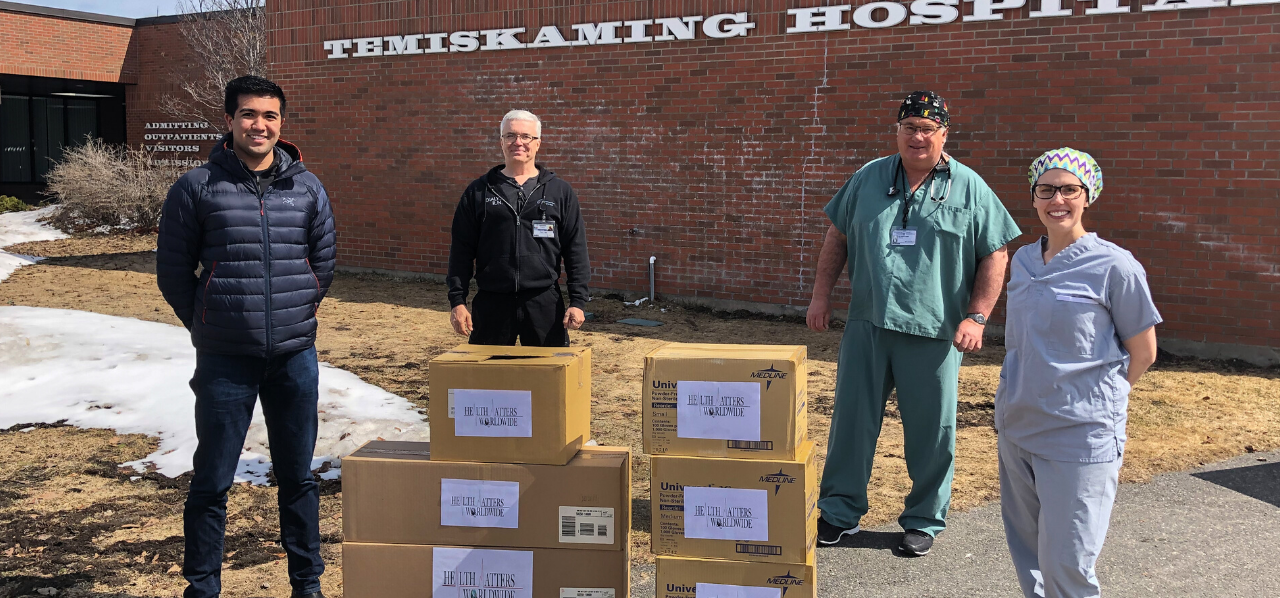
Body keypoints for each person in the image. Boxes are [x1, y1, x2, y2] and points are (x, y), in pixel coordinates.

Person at [806, 91, 1022, 556]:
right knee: (851, 424)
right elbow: (837, 235)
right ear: (897, 132)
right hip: (868, 324)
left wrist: (977, 316)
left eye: (928, 129)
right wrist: (821, 295)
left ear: (944, 134)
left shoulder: (969, 187)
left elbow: (996, 253)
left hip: (935, 330)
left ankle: (924, 519)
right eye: (910, 128)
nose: (918, 137)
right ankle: (839, 512)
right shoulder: (868, 178)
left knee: (932, 431)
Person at [157, 75, 334, 598]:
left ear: (282, 123)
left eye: (271, 116)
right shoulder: (197, 187)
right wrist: (208, 323)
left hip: (294, 357)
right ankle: (203, 587)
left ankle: (307, 584)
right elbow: (173, 271)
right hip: (224, 362)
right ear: (230, 120)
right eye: (250, 115)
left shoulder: (306, 186)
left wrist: (293, 312)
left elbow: (322, 264)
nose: (261, 125)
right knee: (212, 479)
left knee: (298, 477)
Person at [997, 148, 1160, 597]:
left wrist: (1098, 401)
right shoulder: (1025, 261)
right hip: (1018, 426)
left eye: (1070, 189)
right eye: (1046, 190)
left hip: (1080, 435)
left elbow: (1143, 351)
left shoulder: (1115, 266)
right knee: (1028, 555)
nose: (1058, 199)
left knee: (1067, 565)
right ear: (1033, 198)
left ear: (1088, 197)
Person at [447, 109, 590, 346]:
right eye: (511, 135)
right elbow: (461, 251)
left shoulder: (559, 192)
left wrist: (578, 301)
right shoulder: (478, 192)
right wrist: (457, 301)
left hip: (544, 302)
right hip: (492, 302)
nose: (518, 142)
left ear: (538, 143)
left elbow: (576, 250)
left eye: (526, 136)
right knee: (490, 378)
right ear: (501, 141)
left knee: (546, 377)